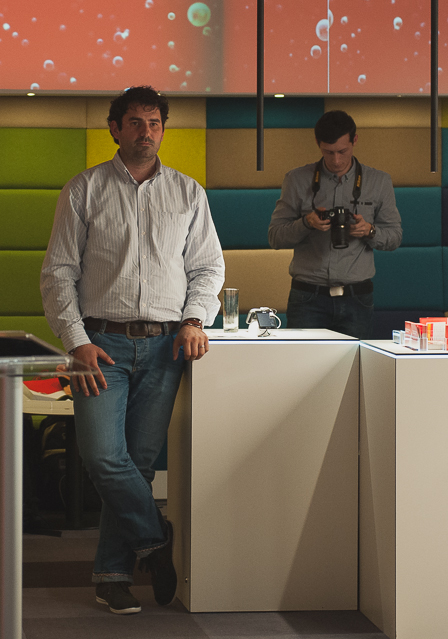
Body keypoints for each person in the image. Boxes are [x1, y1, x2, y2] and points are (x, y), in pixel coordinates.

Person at [40, 86, 225, 615]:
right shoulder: (84, 189)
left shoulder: (188, 193)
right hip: (100, 345)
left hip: (166, 346)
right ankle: (155, 537)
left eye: (154, 123)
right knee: (102, 456)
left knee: (137, 465)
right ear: (115, 128)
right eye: (136, 122)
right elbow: (58, 273)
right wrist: (76, 342)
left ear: (163, 129)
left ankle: (113, 575)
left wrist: (195, 319)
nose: (146, 132)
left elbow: (207, 267)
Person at [268, 110, 402, 339]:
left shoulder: (379, 181)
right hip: (307, 297)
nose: (336, 160)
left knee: (355, 363)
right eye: (328, 152)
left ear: (354, 140)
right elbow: (275, 237)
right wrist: (306, 223)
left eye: (342, 151)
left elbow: (395, 237)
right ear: (317, 143)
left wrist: (369, 231)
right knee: (304, 362)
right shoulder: (297, 179)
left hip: (357, 298)